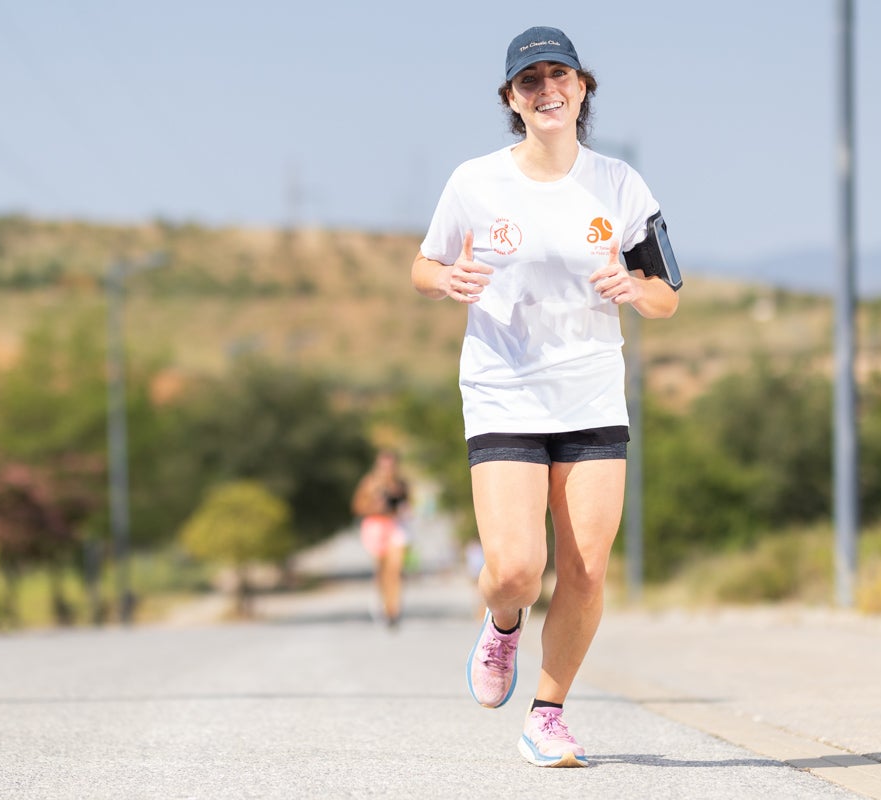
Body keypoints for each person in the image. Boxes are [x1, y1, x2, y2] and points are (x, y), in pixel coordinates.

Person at [410, 26, 680, 767]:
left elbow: (666, 297)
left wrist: (635, 286)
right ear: (511, 100)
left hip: (591, 396)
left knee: (587, 569)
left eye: (560, 75)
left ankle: (548, 714)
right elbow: (423, 266)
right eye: (530, 82)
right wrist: (447, 281)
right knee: (519, 569)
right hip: (503, 391)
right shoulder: (474, 182)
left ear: (582, 88)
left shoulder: (622, 185)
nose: (547, 89)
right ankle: (502, 623)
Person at [352, 450, 410, 628]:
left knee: (395, 569)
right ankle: (383, 604)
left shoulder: (401, 485)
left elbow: (407, 505)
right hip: (375, 526)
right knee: (382, 570)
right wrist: (375, 506)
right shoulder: (369, 483)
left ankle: (394, 608)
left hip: (395, 526)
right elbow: (357, 507)